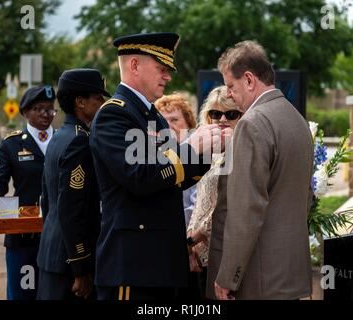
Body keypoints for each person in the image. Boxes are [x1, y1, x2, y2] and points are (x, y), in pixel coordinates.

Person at [89, 32, 222, 300]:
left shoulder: (152, 116)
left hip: (159, 261)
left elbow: (173, 178)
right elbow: (140, 176)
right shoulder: (114, 114)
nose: (168, 76)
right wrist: (191, 148)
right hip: (133, 263)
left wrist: (210, 152)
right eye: (161, 68)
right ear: (135, 65)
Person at [208, 40, 314, 300]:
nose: (228, 94)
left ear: (249, 80)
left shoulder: (252, 124)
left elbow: (246, 209)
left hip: (257, 279)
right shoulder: (297, 120)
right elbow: (306, 198)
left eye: (231, 86)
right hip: (290, 273)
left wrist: (228, 275)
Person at [36, 69, 109, 300]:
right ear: (80, 102)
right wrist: (80, 268)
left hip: (53, 250)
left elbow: (47, 200)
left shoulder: (60, 135)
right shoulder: (79, 141)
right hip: (69, 260)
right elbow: (72, 209)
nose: (103, 103)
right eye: (98, 98)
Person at [0, 85, 56, 300]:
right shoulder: (11, 144)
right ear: (25, 112)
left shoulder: (65, 140)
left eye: (50, 109)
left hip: (57, 235)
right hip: (23, 238)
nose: (45, 114)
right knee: (23, 293)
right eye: (39, 108)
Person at [186, 85, 241, 299]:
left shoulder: (239, 151)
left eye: (231, 114)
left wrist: (191, 241)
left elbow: (224, 207)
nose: (222, 119)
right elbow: (200, 201)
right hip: (202, 253)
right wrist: (191, 246)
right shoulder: (212, 152)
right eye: (215, 113)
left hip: (223, 252)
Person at [154, 93, 197, 228]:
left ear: (188, 124)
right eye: (163, 121)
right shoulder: (152, 158)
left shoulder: (197, 155)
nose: (168, 126)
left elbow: (197, 204)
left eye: (174, 120)